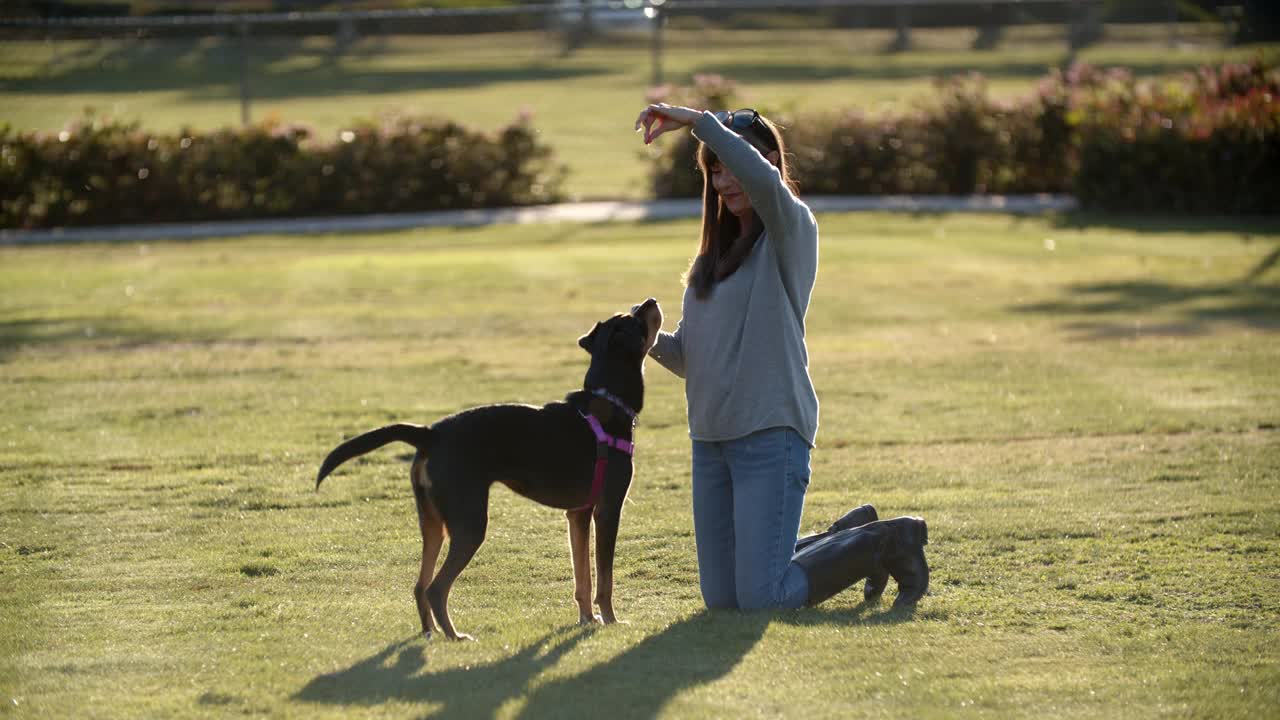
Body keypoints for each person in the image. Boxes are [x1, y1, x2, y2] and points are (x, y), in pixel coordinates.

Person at [634, 103, 930, 611]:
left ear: (769, 161)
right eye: (715, 169)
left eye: (732, 163)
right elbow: (691, 359)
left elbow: (763, 182)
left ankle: (889, 541)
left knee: (763, 598)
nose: (725, 179)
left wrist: (698, 122)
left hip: (771, 433)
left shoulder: (791, 233)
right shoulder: (711, 263)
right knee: (723, 600)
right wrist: (641, 337)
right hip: (711, 442)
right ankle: (850, 534)